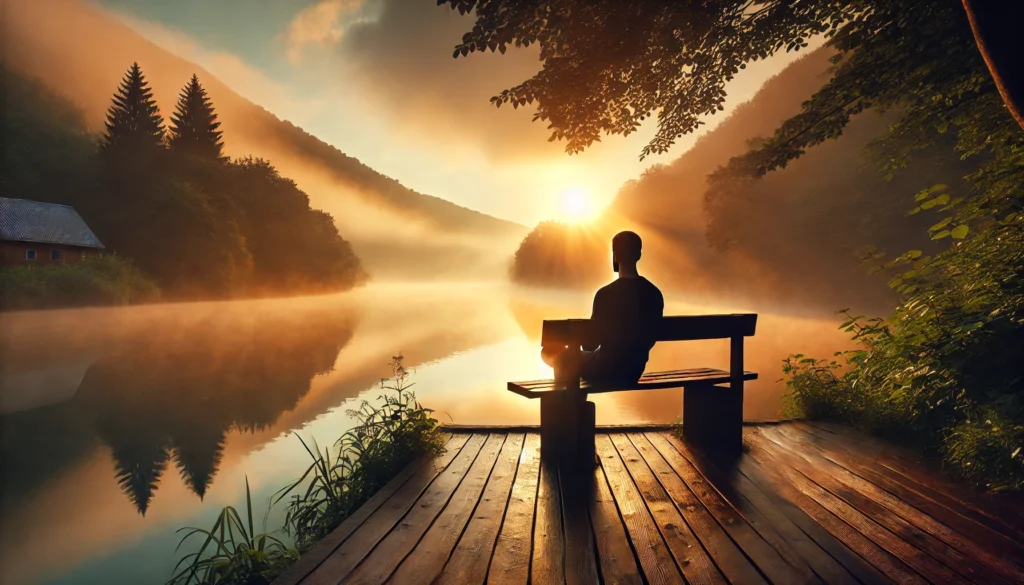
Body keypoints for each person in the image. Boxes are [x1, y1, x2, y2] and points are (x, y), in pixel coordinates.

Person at [542, 231, 664, 387]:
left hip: (604, 370)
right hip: (634, 371)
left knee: (551, 353)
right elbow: (650, 338)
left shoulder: (605, 294)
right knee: (570, 358)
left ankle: (567, 401)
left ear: (615, 256)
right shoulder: (654, 294)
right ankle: (570, 397)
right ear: (638, 255)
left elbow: (590, 344)